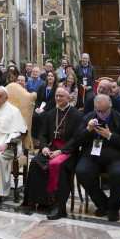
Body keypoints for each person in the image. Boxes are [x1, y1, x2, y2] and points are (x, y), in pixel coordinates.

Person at [73, 94, 120, 221]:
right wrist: (87, 129)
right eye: (98, 110)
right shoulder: (89, 118)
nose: (101, 114)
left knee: (119, 173)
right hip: (93, 155)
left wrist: (110, 136)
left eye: (104, 111)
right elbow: (78, 140)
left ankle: (113, 208)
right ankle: (102, 203)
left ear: (110, 107)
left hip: (116, 157)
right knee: (81, 171)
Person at [28, 87, 83, 219]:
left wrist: (61, 151)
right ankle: (43, 201)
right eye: (56, 96)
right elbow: (43, 135)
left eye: (61, 96)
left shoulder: (77, 115)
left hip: (69, 152)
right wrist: (44, 147)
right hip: (51, 149)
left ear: (68, 98)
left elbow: (77, 138)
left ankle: (59, 206)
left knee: (60, 166)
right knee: (36, 162)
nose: (58, 98)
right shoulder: (51, 113)